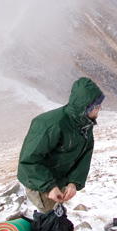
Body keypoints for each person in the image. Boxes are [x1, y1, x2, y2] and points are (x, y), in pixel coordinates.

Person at [17, 77, 105, 213]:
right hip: (39, 184)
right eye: (97, 106)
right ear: (86, 107)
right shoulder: (51, 124)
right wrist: (49, 187)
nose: (99, 109)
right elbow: (30, 161)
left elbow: (84, 155)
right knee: (51, 221)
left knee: (55, 219)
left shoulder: (84, 124)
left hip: (57, 182)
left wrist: (74, 182)